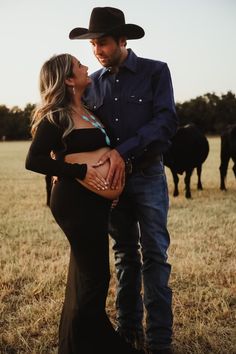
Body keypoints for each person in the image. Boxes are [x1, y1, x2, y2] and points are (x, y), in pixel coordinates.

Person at [69, 7, 178, 354]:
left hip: (147, 175)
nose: (97, 51)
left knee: (155, 256)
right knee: (124, 255)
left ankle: (160, 341)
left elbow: (165, 122)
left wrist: (123, 151)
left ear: (122, 40)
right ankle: (127, 329)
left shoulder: (156, 72)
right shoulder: (92, 85)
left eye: (102, 43)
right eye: (93, 45)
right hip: (111, 184)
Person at [25, 53, 145, 354]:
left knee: (82, 276)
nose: (86, 67)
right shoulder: (57, 117)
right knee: (95, 277)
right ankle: (99, 345)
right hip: (74, 205)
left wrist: (112, 189)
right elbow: (34, 160)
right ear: (67, 79)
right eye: (79, 65)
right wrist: (79, 171)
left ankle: (74, 345)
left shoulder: (89, 110)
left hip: (95, 204)